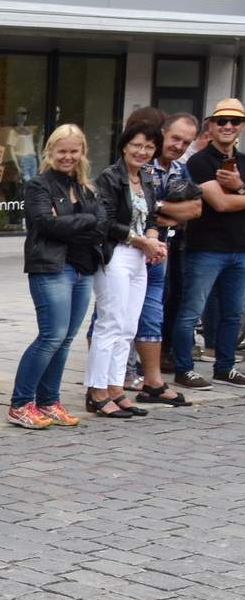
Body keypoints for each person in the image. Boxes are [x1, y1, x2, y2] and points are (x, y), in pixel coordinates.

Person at [10, 124, 107, 429]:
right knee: (51, 336)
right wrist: (85, 221)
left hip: (83, 268)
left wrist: (70, 221)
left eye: (73, 151)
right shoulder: (38, 186)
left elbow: (102, 225)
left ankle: (48, 401)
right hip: (52, 267)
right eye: (61, 151)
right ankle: (20, 403)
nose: (67, 156)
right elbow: (45, 224)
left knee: (65, 340)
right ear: (50, 151)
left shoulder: (88, 187)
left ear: (82, 152)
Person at [87, 121, 167, 418]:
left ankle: (115, 386)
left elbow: (153, 217)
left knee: (129, 326)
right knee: (110, 323)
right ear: (124, 146)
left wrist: (154, 241)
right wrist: (142, 241)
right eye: (137, 145)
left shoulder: (145, 178)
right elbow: (105, 222)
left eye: (149, 146)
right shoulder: (110, 177)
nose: (142, 151)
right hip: (116, 254)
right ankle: (97, 391)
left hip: (139, 257)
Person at [168, 98, 245, 391]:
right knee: (190, 311)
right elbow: (221, 203)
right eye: (221, 120)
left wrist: (240, 187)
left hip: (239, 248)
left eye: (235, 121)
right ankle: (183, 369)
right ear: (210, 126)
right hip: (206, 248)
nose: (228, 126)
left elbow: (232, 197)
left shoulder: (244, 161)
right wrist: (237, 194)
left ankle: (225, 368)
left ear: (241, 127)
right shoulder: (200, 161)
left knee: (233, 313)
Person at [150, 111, 201, 384]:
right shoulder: (142, 164)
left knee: (165, 300)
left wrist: (159, 207)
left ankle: (155, 361)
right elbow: (135, 208)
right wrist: (165, 210)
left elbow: (196, 208)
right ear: (163, 133)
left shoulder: (181, 169)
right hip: (137, 249)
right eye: (175, 138)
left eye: (185, 142)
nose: (179, 146)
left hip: (169, 246)